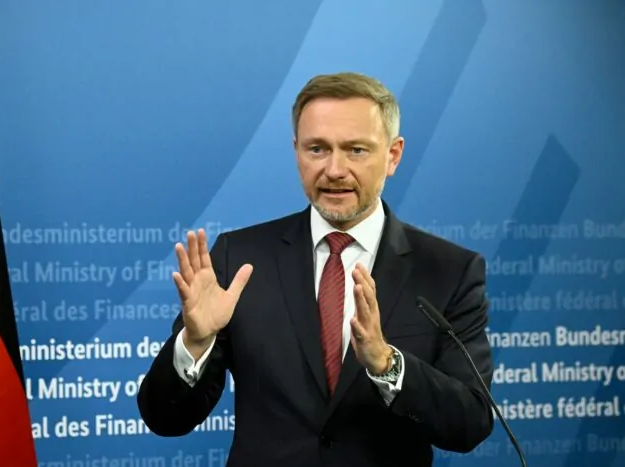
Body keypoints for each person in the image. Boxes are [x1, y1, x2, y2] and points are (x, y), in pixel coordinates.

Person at [137, 72, 495, 466]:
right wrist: (195, 343)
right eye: (317, 149)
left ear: (393, 155)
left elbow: (470, 423)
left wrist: (386, 363)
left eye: (356, 150)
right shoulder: (238, 259)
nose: (335, 169)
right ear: (296, 151)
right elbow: (165, 418)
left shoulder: (448, 271)